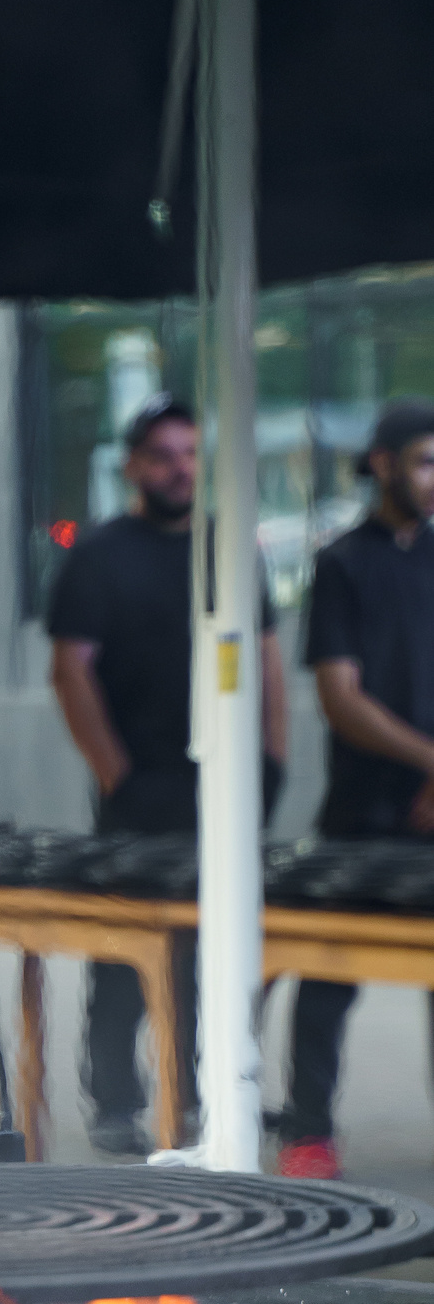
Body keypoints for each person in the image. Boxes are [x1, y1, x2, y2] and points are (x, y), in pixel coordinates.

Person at [47, 394, 287, 1156]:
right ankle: (115, 1102)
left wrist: (272, 761)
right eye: (161, 456)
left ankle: (210, 1093)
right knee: (125, 953)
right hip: (138, 789)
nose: (179, 469)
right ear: (131, 467)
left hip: (225, 782)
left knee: (219, 951)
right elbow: (70, 671)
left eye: (189, 454)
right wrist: (114, 774)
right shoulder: (97, 555)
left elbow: (266, 659)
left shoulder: (229, 549)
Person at [278, 400, 434, 1178]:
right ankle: (306, 1132)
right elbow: (340, 698)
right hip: (360, 809)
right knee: (326, 970)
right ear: (381, 464)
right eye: (425, 462)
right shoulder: (340, 562)